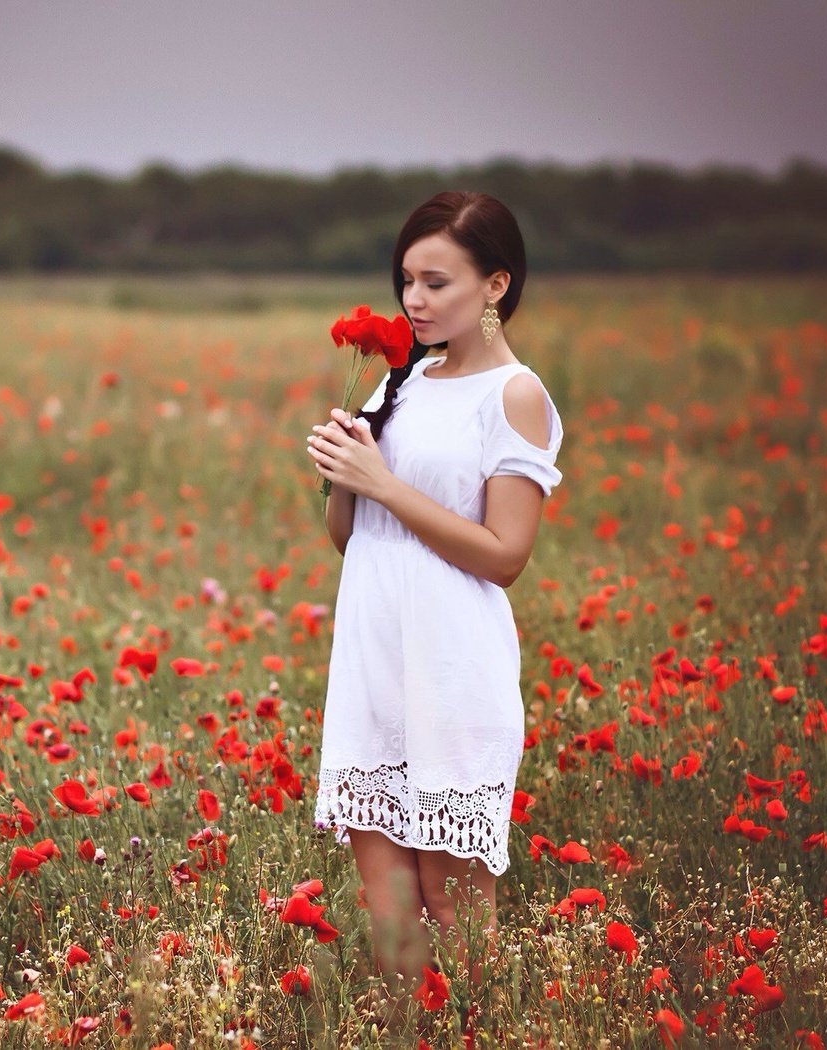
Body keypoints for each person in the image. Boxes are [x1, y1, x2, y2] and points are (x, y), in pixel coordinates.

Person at [306, 191, 565, 1017]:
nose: (414, 301)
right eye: (407, 281)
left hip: (453, 662)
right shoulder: (403, 383)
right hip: (373, 652)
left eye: (436, 282)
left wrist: (383, 482)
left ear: (495, 285)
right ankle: (405, 1030)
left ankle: (477, 1030)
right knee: (388, 901)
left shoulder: (516, 396)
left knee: (452, 900)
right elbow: (357, 538)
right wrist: (344, 472)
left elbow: (505, 555)